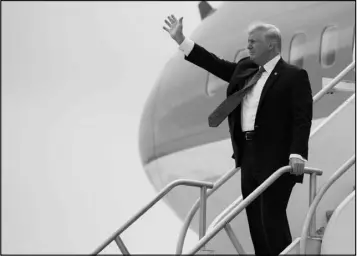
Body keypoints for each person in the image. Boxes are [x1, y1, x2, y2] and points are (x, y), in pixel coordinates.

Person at [163, 15, 313, 255]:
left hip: (277, 156)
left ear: (271, 45)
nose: (249, 46)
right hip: (248, 155)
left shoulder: (294, 76)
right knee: (255, 220)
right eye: (248, 41)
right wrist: (182, 40)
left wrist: (297, 153)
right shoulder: (245, 69)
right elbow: (215, 64)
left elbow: (302, 119)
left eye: (254, 41)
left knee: (271, 216)